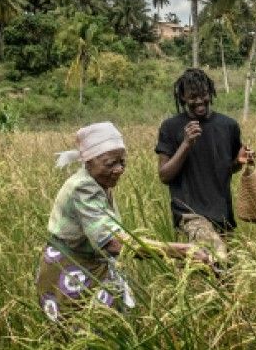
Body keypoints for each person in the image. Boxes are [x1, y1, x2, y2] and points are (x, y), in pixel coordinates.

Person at [36, 121, 209, 322]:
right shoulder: (83, 188)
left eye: (122, 162)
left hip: (92, 264)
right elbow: (113, 243)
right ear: (88, 161)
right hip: (72, 270)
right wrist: (182, 251)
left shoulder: (100, 182)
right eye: (110, 164)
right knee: (85, 331)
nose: (119, 169)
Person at [155, 69, 254, 263]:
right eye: (193, 97)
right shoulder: (171, 127)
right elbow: (164, 175)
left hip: (222, 214)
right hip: (190, 215)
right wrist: (186, 144)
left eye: (204, 95)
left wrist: (240, 161)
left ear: (210, 93)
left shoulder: (228, 126)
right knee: (217, 257)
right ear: (183, 97)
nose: (200, 101)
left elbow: (229, 168)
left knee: (225, 275)